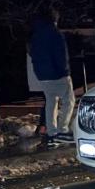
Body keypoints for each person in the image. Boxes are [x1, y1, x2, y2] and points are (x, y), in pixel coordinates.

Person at [29, 8, 75, 146]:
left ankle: (52, 133)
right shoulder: (56, 34)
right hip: (57, 74)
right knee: (69, 100)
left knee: (51, 101)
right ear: (55, 20)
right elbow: (61, 55)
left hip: (42, 75)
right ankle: (62, 130)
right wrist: (65, 71)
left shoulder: (36, 35)